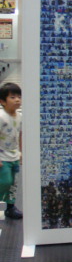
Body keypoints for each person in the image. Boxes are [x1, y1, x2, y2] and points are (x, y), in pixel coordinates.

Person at [0, 82, 22, 219]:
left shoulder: (19, 116)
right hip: (3, 157)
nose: (17, 100)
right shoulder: (1, 117)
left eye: (19, 97)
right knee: (5, 181)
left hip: (14, 155)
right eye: (12, 97)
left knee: (13, 183)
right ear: (2, 101)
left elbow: (20, 134)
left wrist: (21, 152)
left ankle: (10, 207)